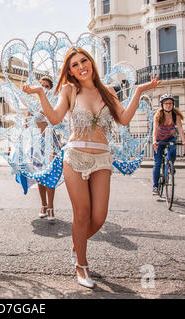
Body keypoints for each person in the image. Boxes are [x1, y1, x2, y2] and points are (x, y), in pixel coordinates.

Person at [22, 46, 160, 288]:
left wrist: (138, 91)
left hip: (102, 158)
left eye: (83, 61)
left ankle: (77, 244)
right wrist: (39, 94)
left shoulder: (107, 91)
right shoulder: (69, 90)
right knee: (82, 214)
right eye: (74, 65)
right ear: (70, 71)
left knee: (99, 217)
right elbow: (54, 119)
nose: (80, 67)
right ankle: (81, 265)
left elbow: (124, 119)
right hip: (74, 157)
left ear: (91, 62)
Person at [24, 76, 58, 221]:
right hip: (37, 143)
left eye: (47, 86)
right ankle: (43, 205)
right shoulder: (34, 105)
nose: (44, 88)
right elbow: (26, 123)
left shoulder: (55, 104)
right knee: (40, 176)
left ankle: (50, 207)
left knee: (50, 175)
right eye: (41, 86)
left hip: (51, 141)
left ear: (51, 89)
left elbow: (58, 121)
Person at [151, 93, 185, 195]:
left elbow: (180, 129)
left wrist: (184, 141)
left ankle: (171, 164)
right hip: (159, 139)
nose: (168, 105)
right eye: (166, 103)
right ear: (162, 105)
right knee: (157, 163)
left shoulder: (176, 116)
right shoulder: (158, 116)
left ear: (173, 104)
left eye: (170, 103)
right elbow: (155, 130)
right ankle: (155, 186)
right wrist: (154, 141)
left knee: (172, 151)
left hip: (170, 138)